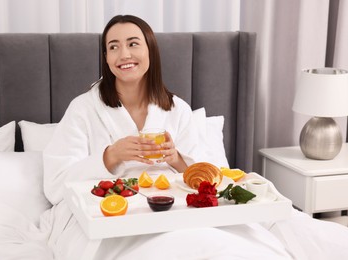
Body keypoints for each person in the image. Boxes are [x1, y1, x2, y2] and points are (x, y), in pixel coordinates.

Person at [42, 15, 294, 259]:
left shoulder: (177, 109)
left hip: (178, 211)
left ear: (150, 50)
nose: (124, 54)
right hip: (115, 215)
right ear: (106, 58)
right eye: (113, 47)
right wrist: (110, 156)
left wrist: (176, 159)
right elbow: (55, 186)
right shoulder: (83, 109)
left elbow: (210, 176)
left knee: (226, 248)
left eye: (133, 44)